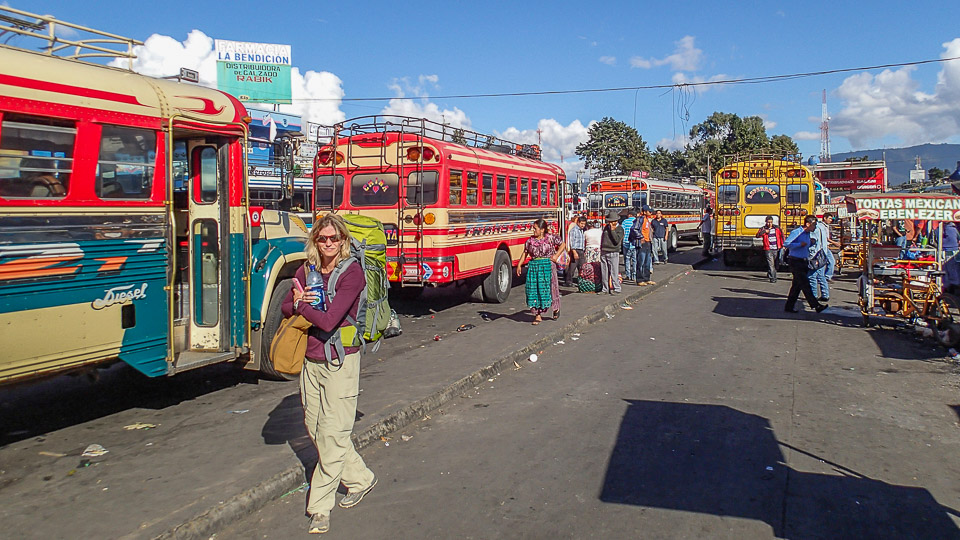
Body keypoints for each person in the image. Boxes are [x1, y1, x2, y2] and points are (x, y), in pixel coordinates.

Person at [282, 213, 377, 535]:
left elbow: (327, 321)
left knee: (333, 434)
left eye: (333, 239)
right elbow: (285, 306)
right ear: (314, 241)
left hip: (341, 361)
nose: (328, 245)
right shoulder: (306, 270)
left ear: (343, 240)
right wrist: (297, 302)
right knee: (316, 428)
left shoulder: (352, 273)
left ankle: (320, 507)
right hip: (311, 361)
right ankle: (361, 479)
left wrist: (301, 307)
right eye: (322, 239)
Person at [517, 218, 564, 324]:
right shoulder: (530, 241)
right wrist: (519, 265)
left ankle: (555, 308)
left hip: (547, 266)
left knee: (551, 288)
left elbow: (562, 244)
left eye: (535, 228)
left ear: (542, 230)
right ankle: (538, 315)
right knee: (535, 290)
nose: (533, 230)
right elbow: (525, 253)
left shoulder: (551, 238)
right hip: (535, 267)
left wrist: (556, 256)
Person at [784, 215, 829, 314]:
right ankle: (816, 305)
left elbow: (806, 245)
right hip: (795, 261)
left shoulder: (808, 234)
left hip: (804, 260)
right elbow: (786, 243)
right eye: (814, 225)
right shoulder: (797, 232)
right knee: (805, 284)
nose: (815, 227)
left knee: (796, 286)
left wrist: (811, 243)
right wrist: (799, 244)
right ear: (808, 224)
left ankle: (789, 306)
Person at [630, 205, 655, 286]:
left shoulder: (647, 220)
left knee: (647, 262)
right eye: (649, 211)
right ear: (644, 212)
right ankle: (640, 280)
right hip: (642, 243)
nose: (651, 213)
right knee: (641, 261)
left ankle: (647, 278)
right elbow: (634, 229)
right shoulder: (640, 219)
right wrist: (641, 237)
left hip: (648, 242)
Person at [600, 210, 624, 294]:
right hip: (604, 251)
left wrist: (613, 230)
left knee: (614, 271)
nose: (610, 223)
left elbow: (616, 240)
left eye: (612, 221)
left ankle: (616, 288)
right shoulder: (606, 227)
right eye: (609, 221)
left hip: (613, 252)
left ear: (616, 221)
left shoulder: (620, 229)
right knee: (604, 271)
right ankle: (605, 289)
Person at [808, 216, 831, 301]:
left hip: (815, 255)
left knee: (812, 276)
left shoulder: (815, 229)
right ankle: (825, 295)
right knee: (821, 276)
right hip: (823, 254)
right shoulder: (822, 227)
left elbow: (813, 242)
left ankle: (814, 296)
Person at [755, 215, 784, 283]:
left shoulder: (777, 228)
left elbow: (782, 236)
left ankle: (770, 272)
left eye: (770, 222)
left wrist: (783, 245)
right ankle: (773, 278)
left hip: (776, 248)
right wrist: (764, 231)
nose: (769, 224)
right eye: (768, 222)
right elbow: (757, 235)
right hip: (768, 248)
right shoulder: (763, 229)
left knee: (776, 264)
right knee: (771, 263)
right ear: (765, 222)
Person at [564, 216, 587, 287]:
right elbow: (572, 242)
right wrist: (574, 252)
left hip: (581, 250)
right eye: (581, 223)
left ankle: (582, 280)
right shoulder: (574, 230)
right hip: (576, 250)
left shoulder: (582, 230)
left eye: (584, 224)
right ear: (578, 223)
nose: (583, 225)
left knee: (582, 266)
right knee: (572, 267)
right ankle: (568, 281)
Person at [821, 214, 841, 282]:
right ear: (824, 218)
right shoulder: (821, 226)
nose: (831, 220)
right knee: (828, 262)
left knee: (829, 261)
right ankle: (826, 277)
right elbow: (825, 238)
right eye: (829, 218)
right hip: (822, 247)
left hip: (826, 246)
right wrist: (834, 243)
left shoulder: (826, 226)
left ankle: (826, 276)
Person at [621, 209, 638, 283]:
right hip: (634, 243)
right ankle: (634, 275)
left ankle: (628, 275)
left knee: (627, 259)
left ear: (629, 215)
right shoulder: (637, 221)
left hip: (626, 242)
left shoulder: (625, 221)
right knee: (634, 260)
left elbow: (622, 232)